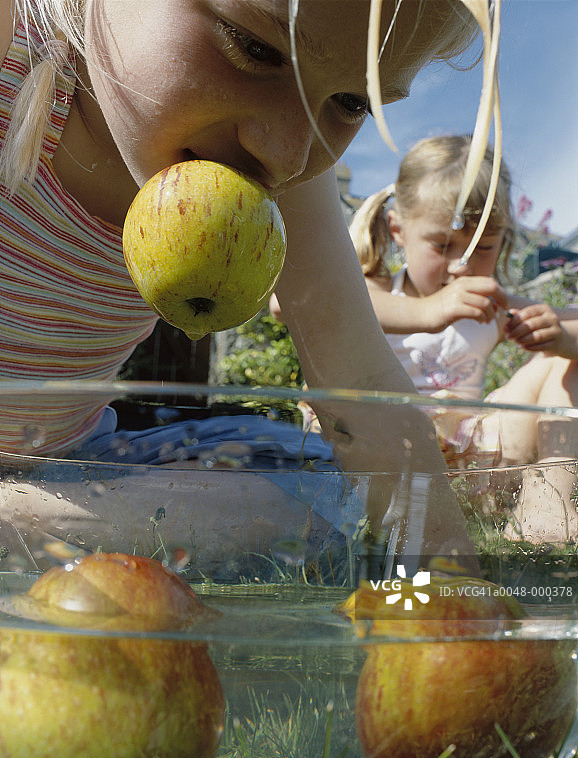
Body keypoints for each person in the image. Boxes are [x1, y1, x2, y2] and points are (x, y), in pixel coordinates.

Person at [0, 0, 500, 576]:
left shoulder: (279, 169)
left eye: (351, 102)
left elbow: (359, 385)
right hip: (67, 486)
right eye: (256, 48)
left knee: (322, 499)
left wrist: (454, 592)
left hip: (69, 463)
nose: (286, 155)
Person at [349, 134, 578, 542]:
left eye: (484, 246)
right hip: (387, 463)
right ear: (398, 229)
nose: (461, 265)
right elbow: (296, 303)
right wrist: (426, 311)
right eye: (443, 245)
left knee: (566, 358)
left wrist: (559, 336)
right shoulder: (379, 291)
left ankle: (546, 511)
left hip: (476, 467)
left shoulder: (493, 305)